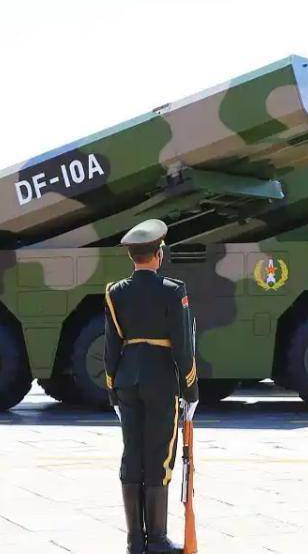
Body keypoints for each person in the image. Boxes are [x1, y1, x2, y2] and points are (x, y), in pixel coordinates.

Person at [105, 219, 200, 554]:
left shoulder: (115, 292)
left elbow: (111, 347)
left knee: (132, 455)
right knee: (159, 456)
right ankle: (156, 540)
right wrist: (191, 390)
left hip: (127, 380)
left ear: (132, 257)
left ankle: (135, 540)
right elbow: (182, 346)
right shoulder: (173, 290)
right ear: (159, 255)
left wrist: (112, 389)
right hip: (160, 380)